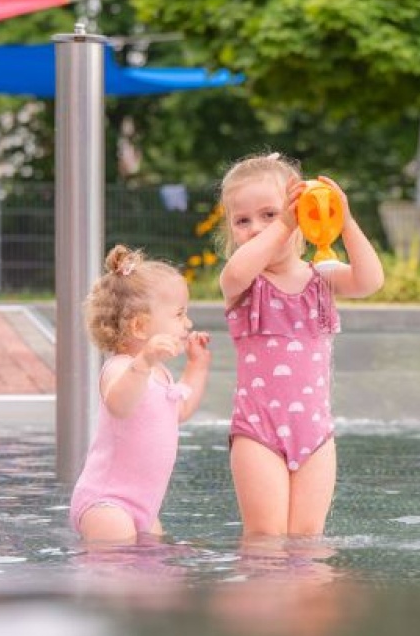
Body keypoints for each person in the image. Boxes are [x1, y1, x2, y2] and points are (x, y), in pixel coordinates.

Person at [218, 153, 384, 538]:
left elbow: (370, 280)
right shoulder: (244, 285)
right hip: (258, 434)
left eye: (269, 215)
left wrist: (344, 222)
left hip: (315, 435)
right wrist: (284, 224)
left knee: (308, 540)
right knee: (266, 538)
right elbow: (236, 270)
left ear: (304, 217)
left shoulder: (322, 278)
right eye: (242, 220)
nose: (256, 228)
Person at [69, 245, 212, 543]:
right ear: (140, 326)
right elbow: (120, 405)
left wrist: (196, 368)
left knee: (151, 574)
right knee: (119, 572)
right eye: (179, 314)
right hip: (107, 503)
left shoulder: (161, 374)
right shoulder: (120, 368)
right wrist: (143, 362)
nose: (187, 323)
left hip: (146, 507)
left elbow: (180, 411)